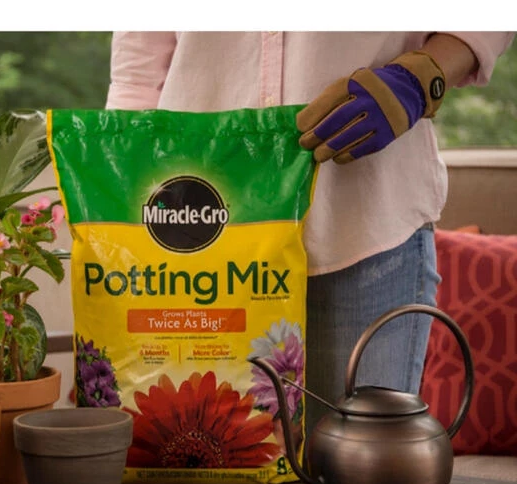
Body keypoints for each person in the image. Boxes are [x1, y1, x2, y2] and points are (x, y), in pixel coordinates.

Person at [105, 31, 514, 431]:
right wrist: (127, 205)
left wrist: (422, 76)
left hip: (365, 229)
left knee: (367, 466)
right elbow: (138, 72)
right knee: (201, 460)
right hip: (198, 246)